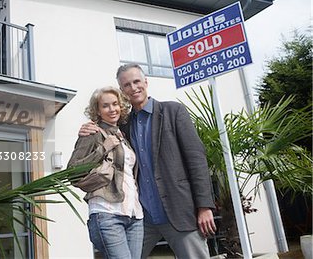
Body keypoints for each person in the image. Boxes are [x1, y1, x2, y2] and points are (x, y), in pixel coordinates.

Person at [79, 64, 217, 258]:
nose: (133, 87)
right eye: (126, 85)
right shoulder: (123, 126)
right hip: (142, 218)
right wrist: (88, 128)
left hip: (178, 211)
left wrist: (204, 207)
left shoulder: (173, 111)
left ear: (146, 82)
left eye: (136, 81)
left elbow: (196, 160)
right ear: (122, 91)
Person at [67, 86, 144, 259]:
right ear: (97, 110)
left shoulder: (123, 135)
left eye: (115, 104)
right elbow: (72, 171)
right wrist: (104, 148)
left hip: (134, 214)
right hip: (107, 212)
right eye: (105, 106)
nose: (112, 109)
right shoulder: (92, 133)